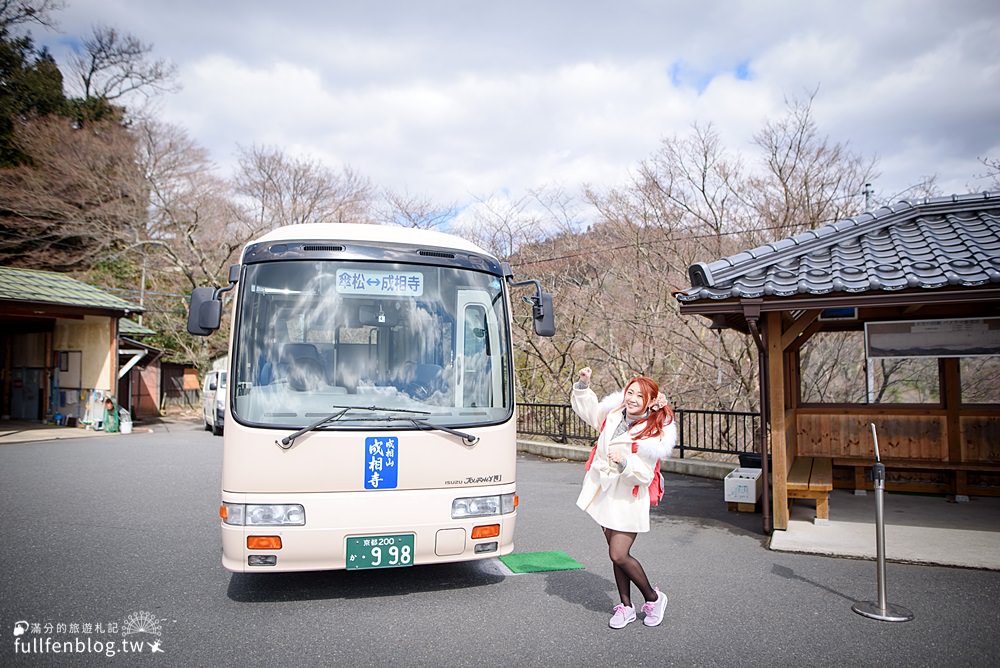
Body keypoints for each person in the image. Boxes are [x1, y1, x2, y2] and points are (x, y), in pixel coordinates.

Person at [571, 366, 677, 629]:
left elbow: (644, 476)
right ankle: (626, 606)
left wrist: (624, 464)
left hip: (627, 499)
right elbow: (591, 412)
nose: (631, 399)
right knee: (614, 553)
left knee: (619, 554)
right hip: (605, 494)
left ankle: (653, 597)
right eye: (630, 392)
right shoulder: (615, 413)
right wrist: (583, 385)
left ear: (650, 403)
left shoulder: (652, 433)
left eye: (639, 396)